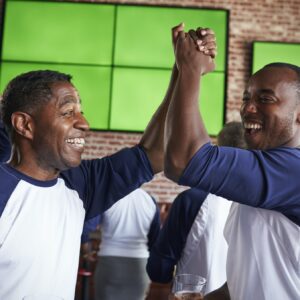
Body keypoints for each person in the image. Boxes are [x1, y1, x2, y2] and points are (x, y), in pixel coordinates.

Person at [0, 29, 216, 299]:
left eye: (81, 111)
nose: (84, 123)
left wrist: (185, 68)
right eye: (68, 112)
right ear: (24, 124)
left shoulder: (80, 183)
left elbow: (155, 152)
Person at [164, 24, 300, 299]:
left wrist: (191, 70)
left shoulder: (293, 172)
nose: (248, 108)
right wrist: (183, 68)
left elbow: (183, 161)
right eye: (247, 98)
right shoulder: (262, 177)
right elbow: (241, 282)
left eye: (265, 99)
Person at [146, 122, 246, 295]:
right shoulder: (261, 204)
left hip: (193, 294)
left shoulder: (192, 199)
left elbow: (159, 268)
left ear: (218, 150)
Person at [94, 188, 160, 300]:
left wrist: (86, 248)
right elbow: (155, 238)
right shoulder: (149, 200)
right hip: (140, 264)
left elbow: (88, 225)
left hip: (109, 262)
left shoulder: (109, 195)